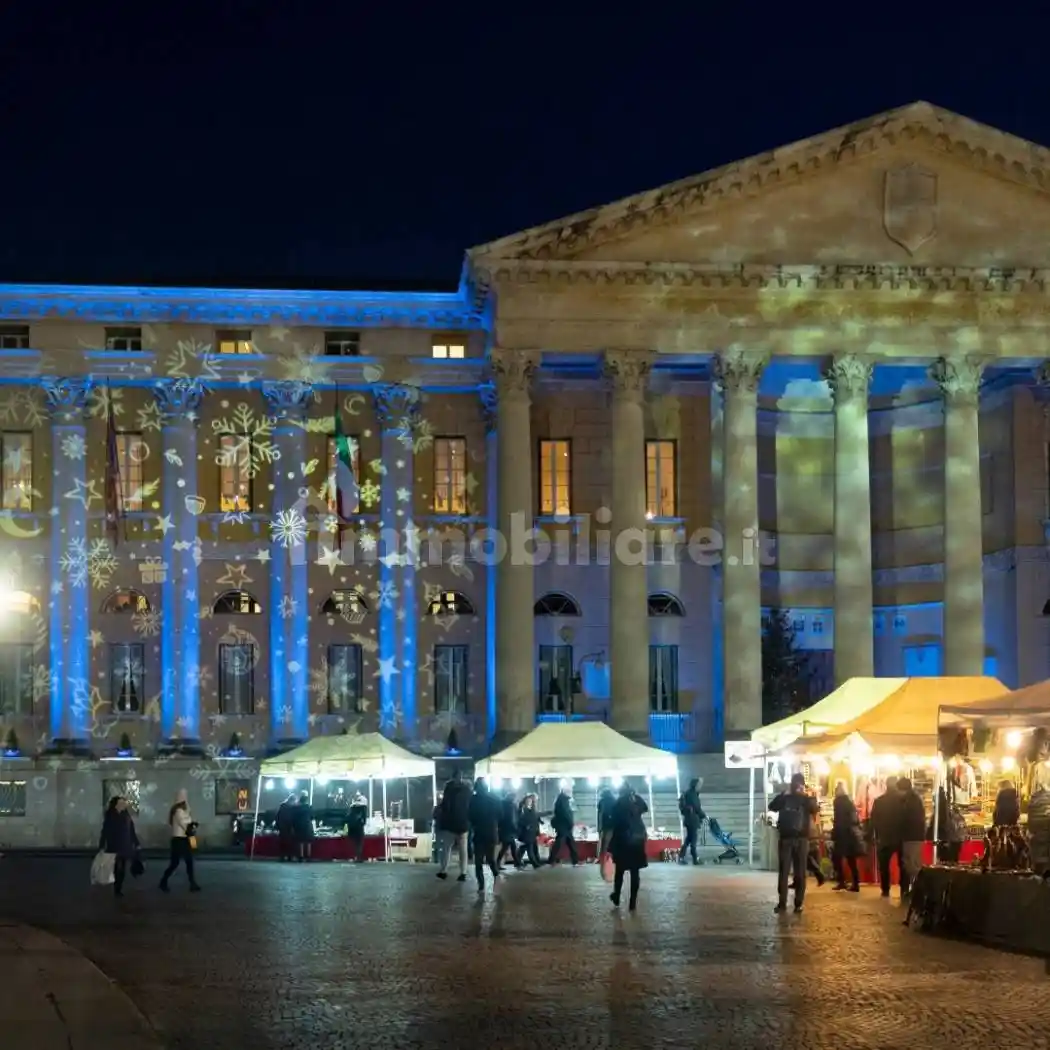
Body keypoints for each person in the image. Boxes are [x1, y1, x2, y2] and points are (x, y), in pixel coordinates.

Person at [769, 773, 819, 915]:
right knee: (800, 872)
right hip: (802, 839)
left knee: (784, 872)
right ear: (802, 784)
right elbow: (815, 810)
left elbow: (771, 806)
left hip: (786, 838)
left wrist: (783, 794)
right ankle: (798, 904)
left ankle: (782, 903)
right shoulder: (806, 799)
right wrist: (808, 795)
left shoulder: (785, 798)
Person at [608, 782, 648, 911]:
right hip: (637, 838)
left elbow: (613, 820)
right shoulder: (636, 799)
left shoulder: (619, 802)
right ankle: (632, 902)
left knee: (619, 871)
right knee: (635, 872)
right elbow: (645, 808)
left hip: (623, 839)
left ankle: (616, 895)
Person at [160, 789, 201, 893]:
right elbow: (185, 825)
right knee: (175, 863)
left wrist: (191, 823)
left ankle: (192, 883)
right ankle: (163, 881)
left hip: (183, 839)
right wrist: (192, 825)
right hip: (179, 840)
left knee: (188, 861)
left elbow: (188, 823)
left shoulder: (182, 811)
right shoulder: (178, 811)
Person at [98, 796, 139, 898]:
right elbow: (105, 831)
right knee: (117, 866)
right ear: (116, 805)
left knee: (122, 867)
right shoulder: (111, 815)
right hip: (115, 844)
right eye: (120, 803)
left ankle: (118, 887)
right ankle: (117, 888)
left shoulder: (126, 815)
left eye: (123, 803)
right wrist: (102, 844)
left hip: (125, 844)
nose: (123, 805)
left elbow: (131, 830)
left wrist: (136, 842)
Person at [869, 776, 903, 897]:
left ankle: (885, 889)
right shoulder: (903, 800)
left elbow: (873, 820)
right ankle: (904, 888)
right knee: (902, 865)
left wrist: (872, 835)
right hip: (900, 837)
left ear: (886, 785)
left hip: (884, 837)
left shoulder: (879, 801)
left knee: (884, 866)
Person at [435, 770, 470, 882]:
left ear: (452, 777)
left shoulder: (448, 789)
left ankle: (444, 871)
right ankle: (463, 872)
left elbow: (445, 806)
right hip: (463, 824)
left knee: (446, 848)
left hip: (450, 824)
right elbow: (469, 806)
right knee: (463, 850)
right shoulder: (467, 789)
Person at [468, 777, 501, 892]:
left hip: (479, 832)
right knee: (490, 858)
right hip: (491, 831)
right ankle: (496, 875)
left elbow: (470, 815)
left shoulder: (473, 799)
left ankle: (481, 885)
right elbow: (500, 814)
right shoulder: (494, 798)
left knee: (478, 860)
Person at [897, 777, 926, 897]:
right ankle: (914, 889)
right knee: (911, 863)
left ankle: (917, 890)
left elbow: (909, 819)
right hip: (913, 836)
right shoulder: (913, 798)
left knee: (912, 864)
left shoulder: (911, 800)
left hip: (912, 837)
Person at [831, 781, 862, 892]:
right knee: (851, 859)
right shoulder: (849, 801)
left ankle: (841, 881)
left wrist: (834, 832)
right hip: (850, 833)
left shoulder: (837, 802)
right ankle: (856, 883)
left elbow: (837, 819)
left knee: (837, 858)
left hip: (841, 833)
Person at [548, 784, 579, 866]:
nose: (571, 792)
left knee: (570, 843)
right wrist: (570, 823)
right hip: (563, 826)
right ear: (564, 791)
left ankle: (575, 860)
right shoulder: (562, 800)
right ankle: (551, 860)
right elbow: (565, 813)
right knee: (560, 843)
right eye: (569, 791)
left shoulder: (562, 800)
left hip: (564, 826)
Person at [678, 777, 706, 865]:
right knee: (693, 839)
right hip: (692, 820)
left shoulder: (690, 793)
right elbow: (697, 807)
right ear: (695, 785)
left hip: (689, 819)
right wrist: (704, 815)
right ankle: (694, 858)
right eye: (699, 784)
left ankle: (681, 856)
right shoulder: (692, 794)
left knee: (689, 839)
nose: (700, 786)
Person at [496, 790, 521, 870]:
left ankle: (517, 863)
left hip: (504, 829)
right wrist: (516, 829)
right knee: (507, 848)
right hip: (509, 830)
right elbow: (512, 819)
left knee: (508, 847)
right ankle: (516, 863)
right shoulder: (511, 806)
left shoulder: (502, 804)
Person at [516, 794, 542, 868]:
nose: (530, 802)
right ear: (525, 802)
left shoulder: (530, 809)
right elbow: (520, 820)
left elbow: (535, 817)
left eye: (530, 801)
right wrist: (526, 825)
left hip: (531, 831)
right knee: (529, 848)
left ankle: (517, 862)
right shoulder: (523, 809)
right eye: (528, 801)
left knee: (524, 848)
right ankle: (535, 864)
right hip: (526, 832)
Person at [292, 792, 314, 862]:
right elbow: (312, 817)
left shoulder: (296, 808)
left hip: (299, 826)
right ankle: (308, 856)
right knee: (308, 842)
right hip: (307, 825)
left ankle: (301, 857)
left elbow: (294, 818)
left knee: (300, 842)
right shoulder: (309, 807)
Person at [347, 791, 368, 862]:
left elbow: (348, 817)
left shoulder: (352, 807)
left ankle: (354, 856)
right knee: (359, 842)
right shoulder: (363, 807)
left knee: (354, 843)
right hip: (359, 826)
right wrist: (363, 823)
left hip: (352, 827)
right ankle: (358, 857)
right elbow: (364, 818)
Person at [276, 793, 297, 862]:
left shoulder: (282, 806)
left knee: (283, 842)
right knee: (290, 843)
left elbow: (277, 817)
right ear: (293, 800)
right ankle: (289, 856)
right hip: (290, 827)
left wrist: (278, 826)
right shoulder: (293, 808)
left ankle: (282, 856)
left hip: (282, 827)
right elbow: (294, 818)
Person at [596, 788, 616, 858]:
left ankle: (602, 857)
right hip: (613, 825)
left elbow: (600, 814)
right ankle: (611, 857)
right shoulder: (614, 801)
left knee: (603, 843)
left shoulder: (602, 801)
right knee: (611, 842)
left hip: (604, 826)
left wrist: (599, 827)